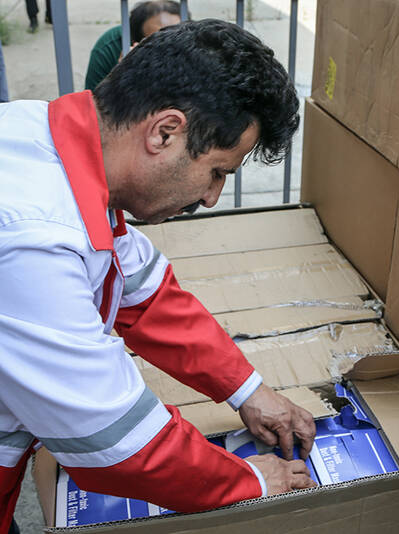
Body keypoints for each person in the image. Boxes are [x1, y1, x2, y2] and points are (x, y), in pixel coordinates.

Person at [0, 19, 314, 532]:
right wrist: (252, 480)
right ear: (165, 132)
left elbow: (146, 297)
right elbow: (115, 441)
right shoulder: (31, 238)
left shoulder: (50, 144)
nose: (211, 198)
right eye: (217, 172)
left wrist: (249, 391)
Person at [85, 1, 181, 91]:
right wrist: (123, 74)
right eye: (160, 42)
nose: (170, 50)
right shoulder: (110, 46)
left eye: (177, 38)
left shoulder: (189, 44)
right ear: (136, 42)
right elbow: (92, 100)